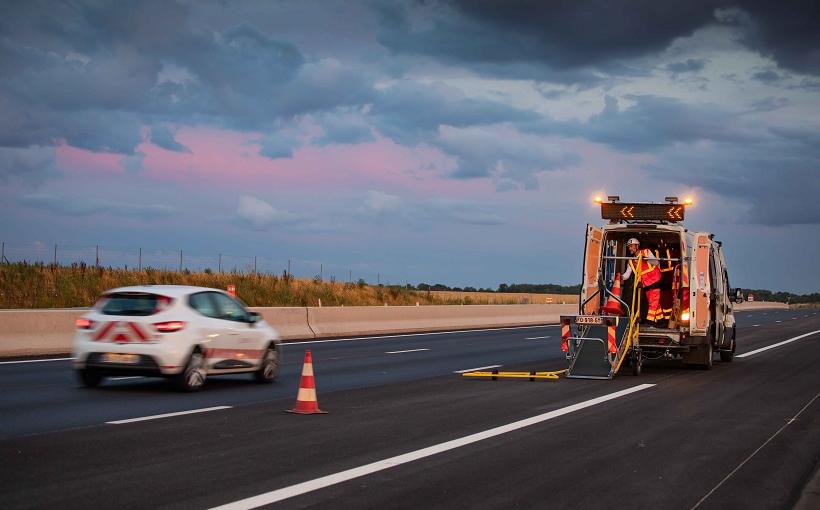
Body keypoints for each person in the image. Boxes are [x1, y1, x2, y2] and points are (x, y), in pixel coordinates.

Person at [621, 238, 663, 326]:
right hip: (645, 283)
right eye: (629, 247)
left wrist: (646, 259)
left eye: (631, 246)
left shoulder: (646, 252)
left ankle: (650, 321)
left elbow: (655, 262)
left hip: (655, 279)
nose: (630, 249)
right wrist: (619, 277)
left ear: (637, 246)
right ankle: (661, 320)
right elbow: (627, 275)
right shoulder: (631, 261)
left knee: (653, 302)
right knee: (655, 303)